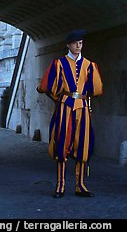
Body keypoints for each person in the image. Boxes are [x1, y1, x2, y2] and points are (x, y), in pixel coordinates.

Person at [37, 29, 103, 198]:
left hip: (82, 107)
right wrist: (59, 100)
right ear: (68, 45)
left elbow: (96, 89)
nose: (78, 46)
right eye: (75, 43)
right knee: (62, 143)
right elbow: (45, 87)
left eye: (81, 43)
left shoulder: (89, 65)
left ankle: (80, 185)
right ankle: (60, 185)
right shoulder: (59, 64)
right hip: (65, 107)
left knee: (82, 145)